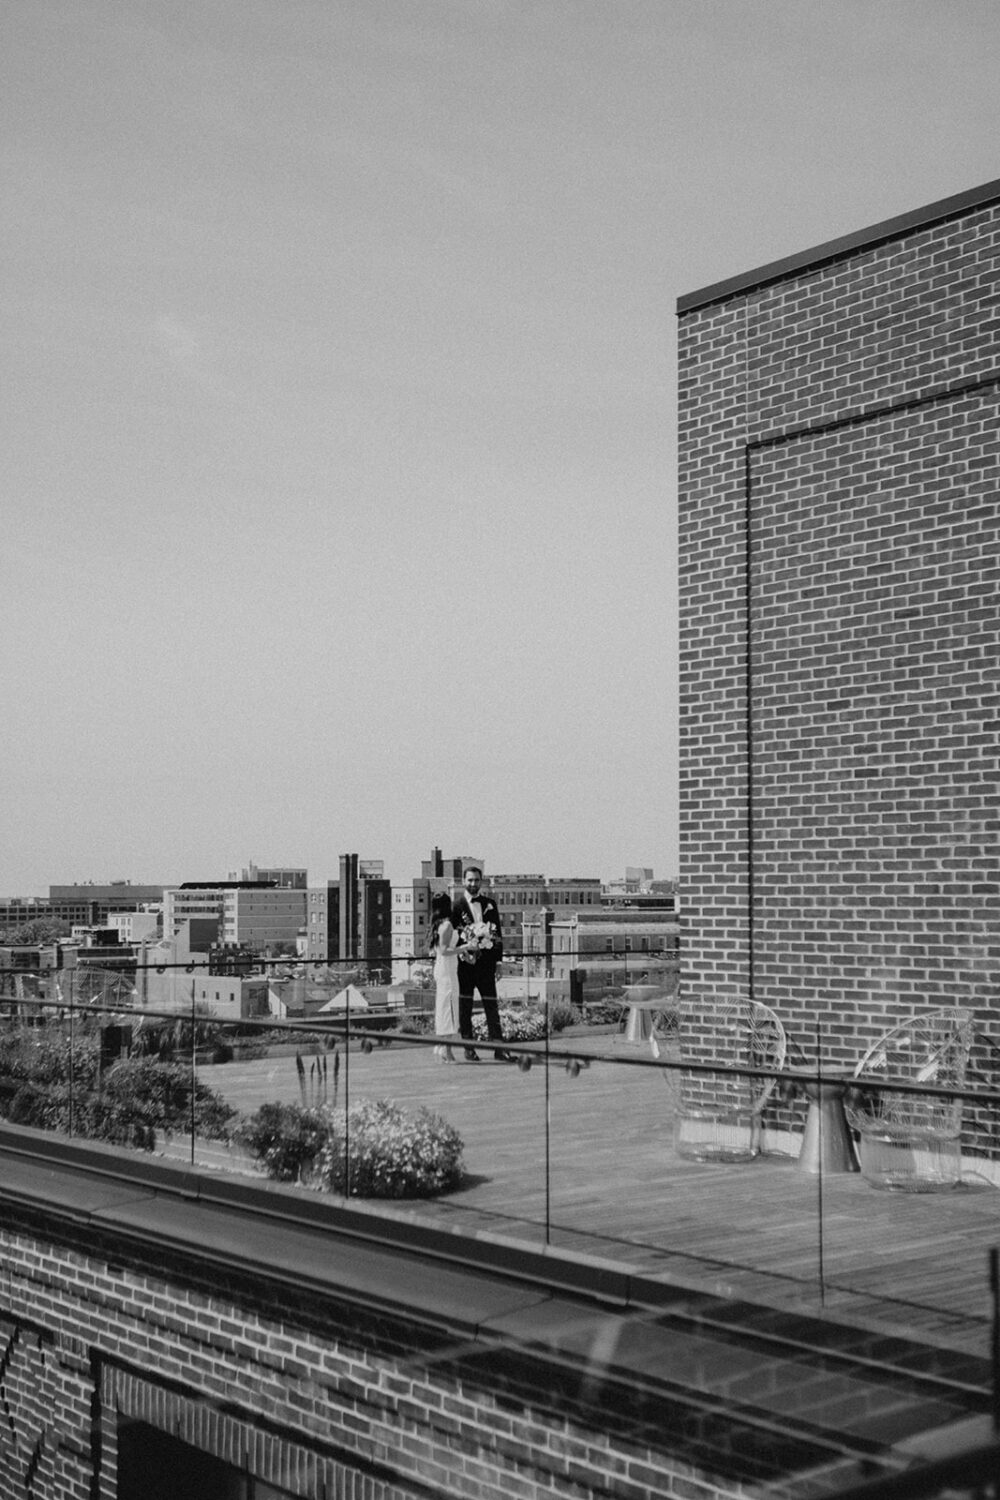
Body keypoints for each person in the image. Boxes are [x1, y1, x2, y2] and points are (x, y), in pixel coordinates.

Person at [452, 865, 515, 1063]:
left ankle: (499, 1048)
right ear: (464, 881)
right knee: (465, 1006)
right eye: (470, 880)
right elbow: (453, 936)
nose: (473, 884)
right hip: (466, 965)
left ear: (481, 881)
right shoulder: (456, 906)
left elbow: (497, 935)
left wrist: (498, 962)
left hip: (487, 965)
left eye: (476, 880)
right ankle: (468, 1048)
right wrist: (463, 953)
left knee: (491, 1006)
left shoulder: (490, 904)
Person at [428, 893, 460, 1063]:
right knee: (448, 1007)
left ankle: (443, 1047)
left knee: (444, 1007)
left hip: (444, 968)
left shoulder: (437, 925)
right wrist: (464, 949)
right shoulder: (446, 925)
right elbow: (444, 950)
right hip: (447, 969)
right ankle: (446, 1050)